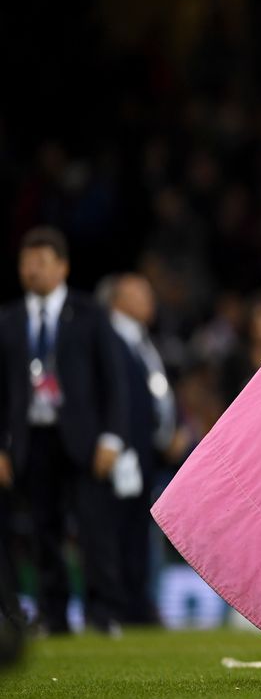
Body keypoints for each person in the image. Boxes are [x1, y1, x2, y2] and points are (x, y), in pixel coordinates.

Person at [0, 227, 129, 634]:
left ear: (63, 267)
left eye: (41, 261)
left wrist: (112, 437)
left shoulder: (89, 314)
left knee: (94, 528)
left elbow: (115, 381)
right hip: (31, 439)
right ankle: (54, 615)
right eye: (26, 262)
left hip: (84, 440)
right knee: (43, 529)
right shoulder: (9, 320)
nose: (32, 270)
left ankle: (103, 612)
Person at [99, 273, 177, 624]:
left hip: (146, 450)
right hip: (118, 451)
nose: (150, 299)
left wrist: (170, 431)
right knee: (114, 528)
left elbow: (156, 394)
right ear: (117, 300)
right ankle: (116, 605)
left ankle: (135, 603)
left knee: (136, 530)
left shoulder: (142, 340)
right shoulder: (106, 338)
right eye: (139, 294)